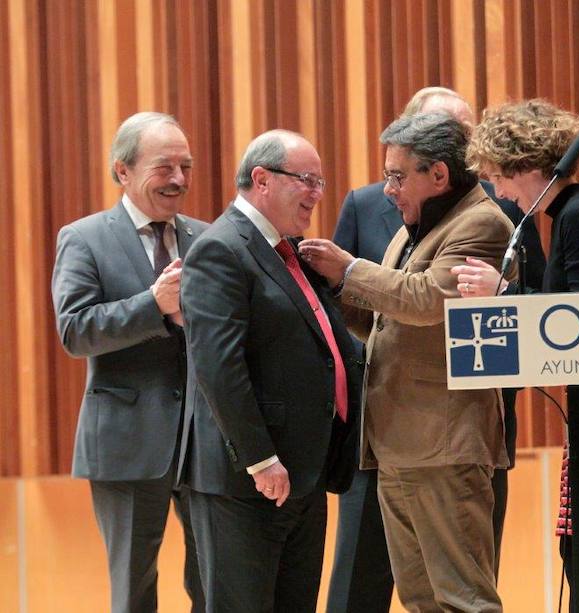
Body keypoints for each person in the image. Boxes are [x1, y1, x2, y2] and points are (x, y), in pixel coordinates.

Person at [327, 86, 545, 613]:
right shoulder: (416, 227)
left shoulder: (481, 222)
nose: (387, 190)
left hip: (445, 443)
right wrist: (326, 290)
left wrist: (348, 269)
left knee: (463, 600)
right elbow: (383, 322)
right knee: (420, 599)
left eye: (397, 177)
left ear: (439, 175)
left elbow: (427, 300)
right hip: (400, 442)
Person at [451, 99, 579, 612]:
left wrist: (503, 294)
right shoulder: (571, 214)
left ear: (526, 167)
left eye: (498, 177)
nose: (499, 191)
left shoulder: (578, 216)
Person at [177, 130, 361, 612]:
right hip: (248, 480)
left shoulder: (291, 250)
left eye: (320, 182)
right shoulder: (221, 249)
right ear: (261, 179)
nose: (317, 194)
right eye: (306, 180)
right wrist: (260, 459)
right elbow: (219, 366)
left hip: (303, 473)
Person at [51, 111, 205, 613]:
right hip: (127, 442)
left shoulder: (208, 238)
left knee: (217, 582)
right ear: (123, 170)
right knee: (134, 590)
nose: (179, 178)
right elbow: (75, 330)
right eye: (164, 167)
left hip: (205, 441)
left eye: (186, 166)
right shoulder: (85, 238)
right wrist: (152, 305)